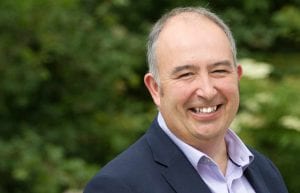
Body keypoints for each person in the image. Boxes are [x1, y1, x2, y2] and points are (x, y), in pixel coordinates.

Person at [84, 6, 288, 193]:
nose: (207, 91)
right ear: (155, 89)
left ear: (237, 77)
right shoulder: (116, 186)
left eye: (218, 71)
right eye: (186, 74)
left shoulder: (264, 171)